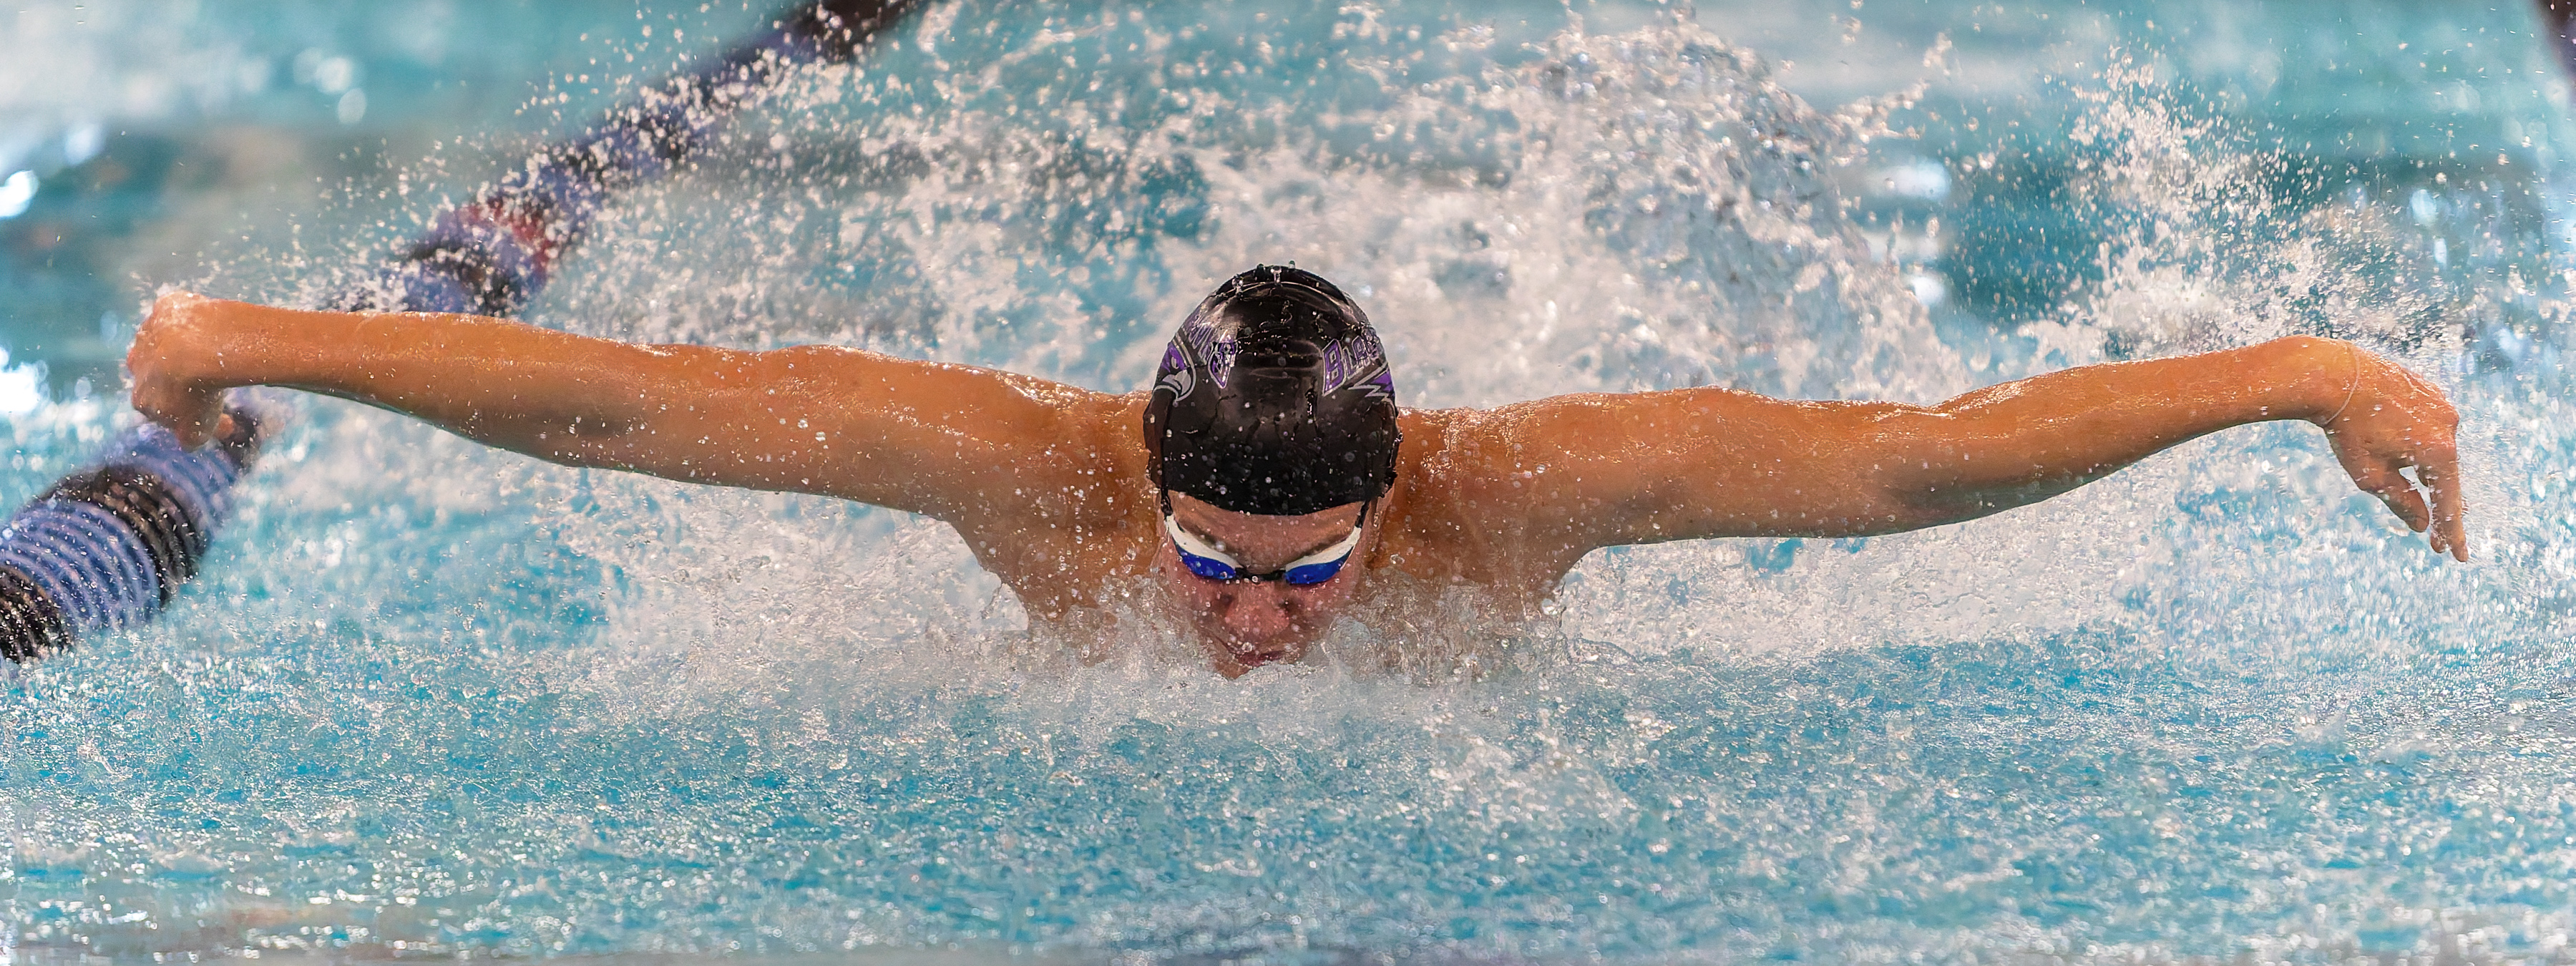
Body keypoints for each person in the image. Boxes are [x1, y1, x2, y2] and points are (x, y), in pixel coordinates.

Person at [124, 265, 2466, 677]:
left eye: (1312, 572)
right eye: (1212, 560)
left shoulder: (1526, 488)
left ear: (1394, 500)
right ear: (1139, 484)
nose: (1250, 619)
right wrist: (239, 345)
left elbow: (1900, 472)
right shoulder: (1013, 473)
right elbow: (633, 400)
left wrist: (2292, 370)